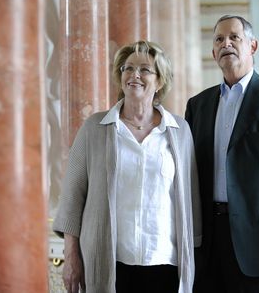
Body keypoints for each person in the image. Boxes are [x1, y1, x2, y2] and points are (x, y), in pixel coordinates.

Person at [53, 40, 202, 293]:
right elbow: (72, 198)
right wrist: (72, 257)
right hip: (110, 263)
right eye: (127, 68)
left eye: (145, 69)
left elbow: (191, 199)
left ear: (160, 81)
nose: (134, 75)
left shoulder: (180, 131)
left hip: (164, 262)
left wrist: (195, 257)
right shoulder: (94, 128)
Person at [185, 15, 259, 293]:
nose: (226, 43)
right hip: (207, 243)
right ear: (213, 52)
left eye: (234, 37)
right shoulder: (198, 105)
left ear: (252, 46)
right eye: (219, 39)